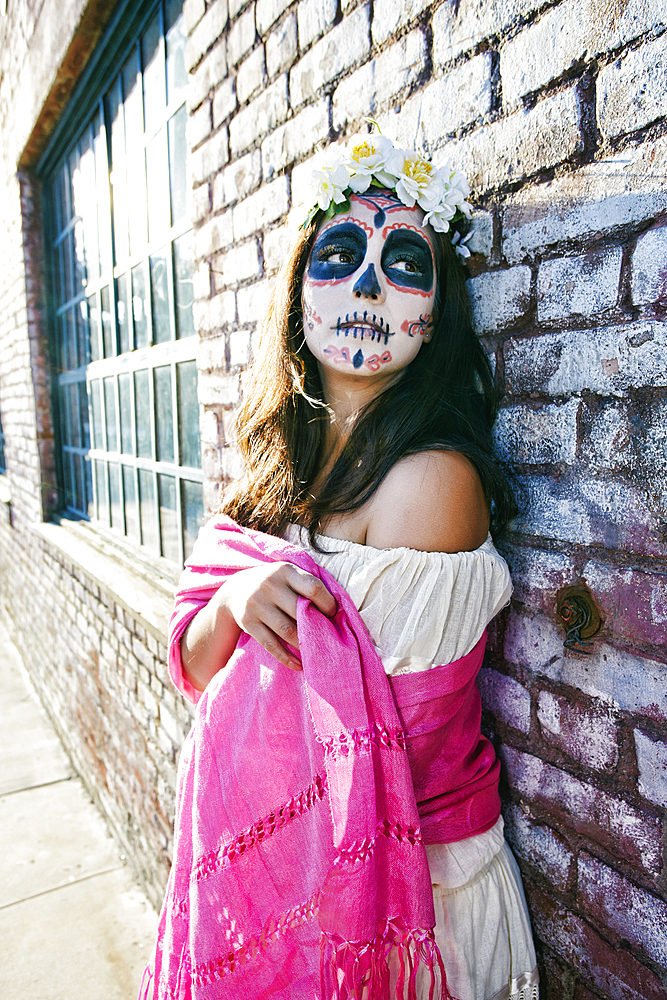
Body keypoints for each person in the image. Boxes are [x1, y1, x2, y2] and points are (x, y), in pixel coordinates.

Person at [141, 131, 539, 1000]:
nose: (367, 285)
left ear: (437, 313)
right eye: (338, 254)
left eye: (403, 261)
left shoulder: (432, 483)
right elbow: (198, 660)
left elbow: (371, 745)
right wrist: (238, 599)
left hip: (402, 912)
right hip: (288, 900)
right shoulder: (269, 479)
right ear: (299, 291)